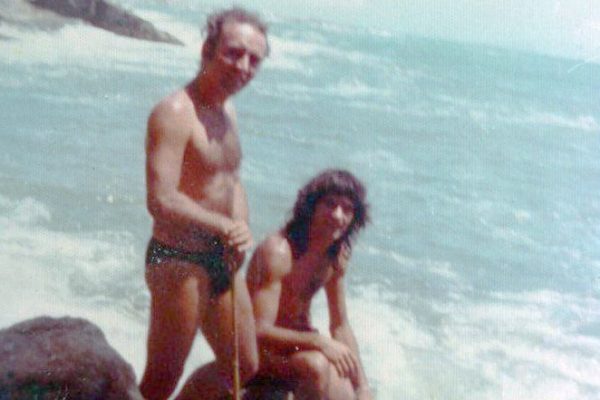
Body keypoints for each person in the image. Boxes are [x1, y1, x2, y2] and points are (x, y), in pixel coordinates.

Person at [139, 8, 269, 400]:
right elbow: (161, 199)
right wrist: (223, 226)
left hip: (220, 257)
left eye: (254, 59)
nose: (243, 67)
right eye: (234, 53)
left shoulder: (227, 110)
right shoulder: (176, 112)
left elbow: (230, 179)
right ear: (207, 50)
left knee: (244, 365)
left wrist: (240, 227)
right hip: (178, 260)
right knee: (161, 380)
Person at [246, 169, 374, 400]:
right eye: (330, 204)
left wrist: (363, 387)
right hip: (260, 353)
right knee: (316, 365)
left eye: (347, 209)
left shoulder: (333, 256)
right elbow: (257, 329)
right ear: (311, 207)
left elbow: (340, 326)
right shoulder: (278, 252)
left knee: (346, 388)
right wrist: (317, 342)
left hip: (296, 349)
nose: (338, 216)